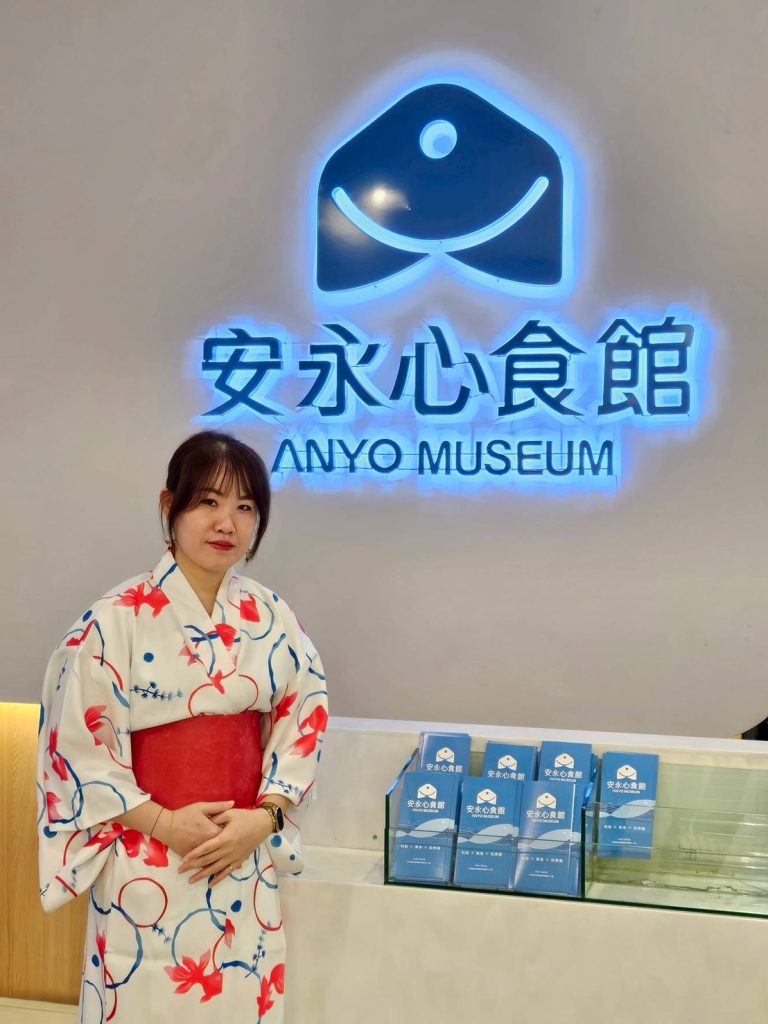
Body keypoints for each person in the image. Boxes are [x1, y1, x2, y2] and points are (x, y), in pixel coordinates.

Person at [36, 430, 328, 1023]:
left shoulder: (273, 616)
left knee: (239, 992)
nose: (227, 523)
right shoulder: (113, 619)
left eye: (245, 507)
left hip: (241, 847)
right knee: (144, 993)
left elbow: (306, 715)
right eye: (208, 502)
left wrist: (265, 817)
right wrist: (164, 823)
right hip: (147, 850)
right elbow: (78, 748)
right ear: (169, 505)